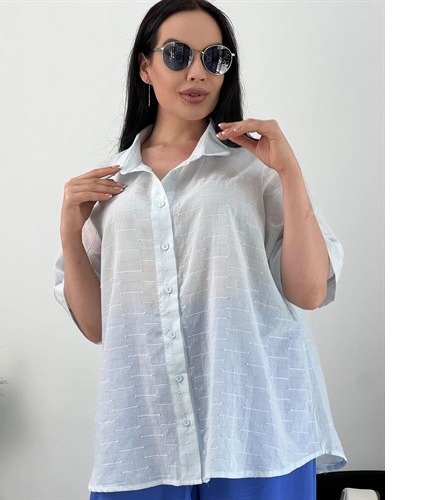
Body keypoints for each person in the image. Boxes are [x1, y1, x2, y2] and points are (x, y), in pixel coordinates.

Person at [54, 1, 347, 498]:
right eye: (177, 54)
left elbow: (310, 292)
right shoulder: (112, 187)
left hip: (254, 434)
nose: (197, 72)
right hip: (143, 440)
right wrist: (69, 230)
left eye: (214, 57)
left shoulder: (256, 170)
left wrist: (290, 172)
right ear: (145, 66)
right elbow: (98, 327)